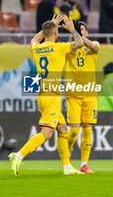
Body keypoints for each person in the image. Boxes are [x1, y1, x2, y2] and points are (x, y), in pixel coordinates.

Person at [9, 14, 84, 176]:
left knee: (63, 129)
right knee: (47, 133)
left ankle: (67, 167)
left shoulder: (38, 48)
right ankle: (18, 155)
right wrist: (71, 29)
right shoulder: (59, 47)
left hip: (43, 94)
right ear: (56, 33)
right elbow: (80, 43)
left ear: (45, 33)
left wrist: (50, 25)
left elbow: (34, 40)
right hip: (52, 96)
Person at [65, 21, 100, 173]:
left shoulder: (94, 46)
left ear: (86, 33)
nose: (79, 33)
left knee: (87, 129)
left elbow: (92, 46)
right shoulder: (68, 48)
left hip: (90, 95)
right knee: (74, 130)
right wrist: (74, 33)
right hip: (73, 95)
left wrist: (74, 31)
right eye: (77, 31)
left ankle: (84, 164)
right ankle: (66, 157)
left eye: (82, 31)